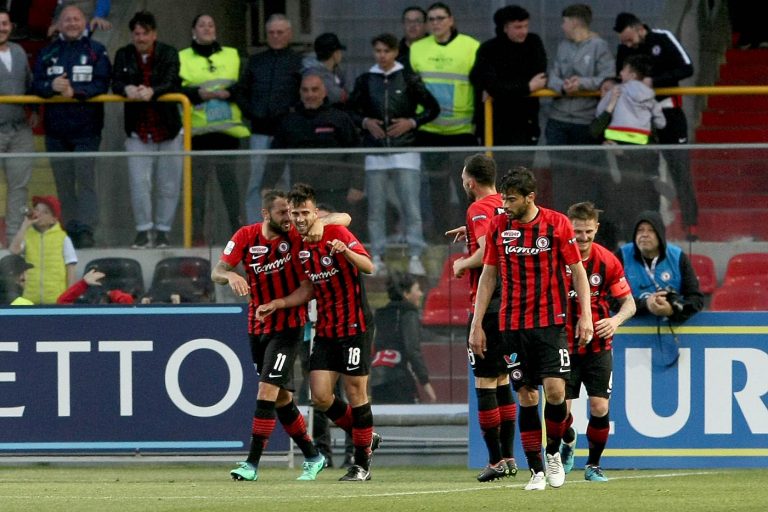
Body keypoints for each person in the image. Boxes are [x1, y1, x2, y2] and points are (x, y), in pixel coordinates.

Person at [211, 188, 351, 482]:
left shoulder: (297, 235)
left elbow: (344, 218)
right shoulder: (246, 236)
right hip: (257, 326)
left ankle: (251, 464)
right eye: (282, 213)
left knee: (266, 392)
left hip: (289, 326)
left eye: (291, 212)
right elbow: (217, 271)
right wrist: (232, 275)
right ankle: (313, 456)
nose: (289, 218)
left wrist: (320, 222)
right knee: (281, 398)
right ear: (265, 214)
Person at [468, 167, 594, 491]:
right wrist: (476, 324)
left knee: (556, 392)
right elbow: (488, 276)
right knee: (526, 395)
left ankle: (553, 453)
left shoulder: (556, 224)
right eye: (504, 198)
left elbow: (578, 271)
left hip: (550, 323)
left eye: (511, 199)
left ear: (530, 198)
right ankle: (536, 470)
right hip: (512, 325)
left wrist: (586, 315)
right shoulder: (498, 226)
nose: (505, 205)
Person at [257, 183, 380, 482]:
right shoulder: (297, 243)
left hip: (354, 325)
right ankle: (366, 435)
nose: (299, 218)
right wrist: (279, 303)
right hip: (325, 328)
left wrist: (346, 251)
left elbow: (369, 266)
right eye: (295, 213)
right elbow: (308, 289)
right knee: (321, 397)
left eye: (305, 213)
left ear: (315, 212)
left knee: (355, 391)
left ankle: (361, 464)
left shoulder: (336, 232)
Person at [445, 154, 520, 483]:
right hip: (510, 304)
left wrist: (462, 263)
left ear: (470, 181)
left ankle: (495, 460)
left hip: (487, 306)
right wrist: (471, 232)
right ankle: (509, 457)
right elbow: (499, 238)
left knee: (485, 383)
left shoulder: (478, 208)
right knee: (502, 382)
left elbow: (487, 251)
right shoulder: (504, 205)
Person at [348, 32, 440, 277]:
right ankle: (376, 256)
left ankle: (415, 255)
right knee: (376, 210)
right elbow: (351, 111)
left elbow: (433, 108)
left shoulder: (408, 78)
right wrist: (366, 122)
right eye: (378, 51)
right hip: (375, 152)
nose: (382, 56)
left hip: (406, 150)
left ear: (396, 52)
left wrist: (412, 122)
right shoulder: (366, 79)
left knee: (411, 207)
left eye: (386, 51)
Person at [559, 202, 636, 482]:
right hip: (563, 344)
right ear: (568, 228)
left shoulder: (607, 260)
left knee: (600, 407)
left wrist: (615, 321)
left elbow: (629, 303)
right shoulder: (555, 257)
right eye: (577, 231)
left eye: (588, 231)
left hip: (598, 347)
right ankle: (568, 439)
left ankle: (593, 465)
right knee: (560, 410)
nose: (582, 237)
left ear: (596, 229)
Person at [31, 3, 111, 249]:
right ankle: (69, 228)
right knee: (64, 182)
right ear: (58, 24)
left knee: (85, 181)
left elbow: (102, 83)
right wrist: (50, 87)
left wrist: (76, 92)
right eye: (67, 20)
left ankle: (86, 230)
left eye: (76, 19)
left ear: (84, 22)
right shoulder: (47, 52)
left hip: (87, 130)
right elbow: (35, 84)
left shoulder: (97, 50)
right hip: (56, 131)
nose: (72, 23)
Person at [613, 12, 698, 239]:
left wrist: (654, 81)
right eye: (624, 42)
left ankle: (691, 225)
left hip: (669, 113)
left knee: (679, 169)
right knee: (644, 174)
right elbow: (618, 76)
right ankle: (649, 225)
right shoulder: (623, 49)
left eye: (630, 39)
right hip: (638, 119)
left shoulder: (662, 38)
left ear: (639, 28)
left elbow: (687, 67)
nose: (628, 45)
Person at [409, 2, 480, 240]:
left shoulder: (471, 46)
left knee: (467, 188)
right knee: (435, 189)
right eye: (431, 19)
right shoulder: (417, 48)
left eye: (440, 18)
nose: (436, 23)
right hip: (429, 130)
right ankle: (440, 238)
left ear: (451, 20)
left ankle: (472, 235)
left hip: (462, 130)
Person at [112, 10, 182, 249]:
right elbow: (116, 82)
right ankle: (143, 230)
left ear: (154, 34)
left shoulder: (169, 53)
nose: (140, 38)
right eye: (136, 33)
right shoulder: (123, 54)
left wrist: (153, 91)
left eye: (145, 33)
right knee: (139, 184)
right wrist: (127, 89)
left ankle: (163, 231)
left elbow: (172, 80)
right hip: (138, 130)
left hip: (168, 128)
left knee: (168, 184)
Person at [260, 73, 363, 234]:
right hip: (302, 192)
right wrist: (267, 185)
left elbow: (356, 153)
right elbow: (277, 156)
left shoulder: (340, 118)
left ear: (324, 92)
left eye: (315, 90)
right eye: (305, 90)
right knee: (303, 235)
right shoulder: (290, 121)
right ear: (300, 93)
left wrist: (358, 185)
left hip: (336, 189)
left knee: (338, 234)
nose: (310, 94)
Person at [179, 13, 250, 245]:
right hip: (198, 135)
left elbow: (244, 85)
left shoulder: (232, 55)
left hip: (226, 134)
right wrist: (197, 94)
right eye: (202, 25)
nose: (207, 28)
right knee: (197, 190)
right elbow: (176, 88)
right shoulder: (182, 57)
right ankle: (197, 235)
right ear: (194, 31)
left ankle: (237, 234)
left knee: (230, 188)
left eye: (211, 25)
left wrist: (229, 93)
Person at [546, 4, 613, 215]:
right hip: (558, 119)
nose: (562, 26)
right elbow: (553, 75)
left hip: (584, 121)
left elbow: (608, 76)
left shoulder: (599, 46)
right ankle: (562, 219)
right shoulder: (562, 46)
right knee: (560, 173)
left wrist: (582, 83)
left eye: (564, 21)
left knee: (586, 175)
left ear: (575, 21)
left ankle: (585, 220)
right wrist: (562, 87)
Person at [595, 54, 667, 242]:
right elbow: (661, 122)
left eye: (624, 70)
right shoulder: (649, 94)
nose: (620, 73)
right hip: (640, 149)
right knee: (638, 195)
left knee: (618, 194)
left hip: (617, 146)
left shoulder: (617, 91)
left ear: (632, 75)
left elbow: (599, 112)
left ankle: (617, 238)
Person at [242, 14, 303, 224]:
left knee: (285, 181)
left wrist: (292, 116)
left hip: (286, 133)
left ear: (289, 34)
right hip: (260, 130)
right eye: (271, 33)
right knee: (256, 181)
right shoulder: (256, 61)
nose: (276, 36)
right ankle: (256, 228)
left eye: (280, 32)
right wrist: (252, 112)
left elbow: (304, 94)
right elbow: (242, 91)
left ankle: (286, 227)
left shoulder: (298, 62)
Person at [470, 5, 547, 169]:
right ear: (505, 28)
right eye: (518, 27)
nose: (523, 31)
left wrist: (504, 87)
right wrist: (526, 87)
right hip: (496, 124)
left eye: (526, 26)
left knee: (521, 174)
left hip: (525, 122)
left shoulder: (533, 43)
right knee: (495, 173)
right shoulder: (489, 49)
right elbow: (489, 84)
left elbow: (540, 75)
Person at [616, 210, 703, 323]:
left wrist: (672, 310)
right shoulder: (622, 255)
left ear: (660, 234)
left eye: (651, 230)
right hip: (630, 328)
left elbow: (696, 299)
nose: (644, 235)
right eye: (640, 230)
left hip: (671, 329)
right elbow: (609, 299)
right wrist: (645, 304)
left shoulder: (678, 257)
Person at [371, 271, 436, 404]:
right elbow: (413, 350)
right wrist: (426, 383)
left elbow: (374, 346)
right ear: (406, 294)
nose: (421, 294)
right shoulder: (409, 313)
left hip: (376, 381)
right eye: (417, 289)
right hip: (398, 380)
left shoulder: (380, 315)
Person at [0, 7, 36, 247]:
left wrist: (34, 110)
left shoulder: (19, 51)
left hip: (20, 129)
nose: (1, 28)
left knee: (19, 187)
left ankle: (14, 239)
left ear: (11, 26)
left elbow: (30, 84)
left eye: (4, 23)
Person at [8, 195, 77, 304]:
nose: (39, 214)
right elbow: (14, 250)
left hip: (56, 299)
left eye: (45, 212)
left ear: (53, 219)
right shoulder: (27, 235)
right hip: (30, 298)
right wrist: (25, 226)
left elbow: (71, 268)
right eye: (37, 209)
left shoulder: (63, 238)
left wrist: (70, 297)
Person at [301, 32, 348, 107]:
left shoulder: (335, 70)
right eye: (339, 51)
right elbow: (337, 97)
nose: (341, 54)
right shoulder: (313, 74)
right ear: (334, 54)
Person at [56, 268, 134, 304]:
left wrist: (110, 294)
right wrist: (83, 283)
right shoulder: (86, 306)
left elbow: (127, 301)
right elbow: (62, 302)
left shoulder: (115, 307)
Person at [397, 6, 428, 71]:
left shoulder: (437, 49)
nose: (412, 25)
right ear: (403, 25)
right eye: (408, 21)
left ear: (426, 25)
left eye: (417, 21)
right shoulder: (394, 52)